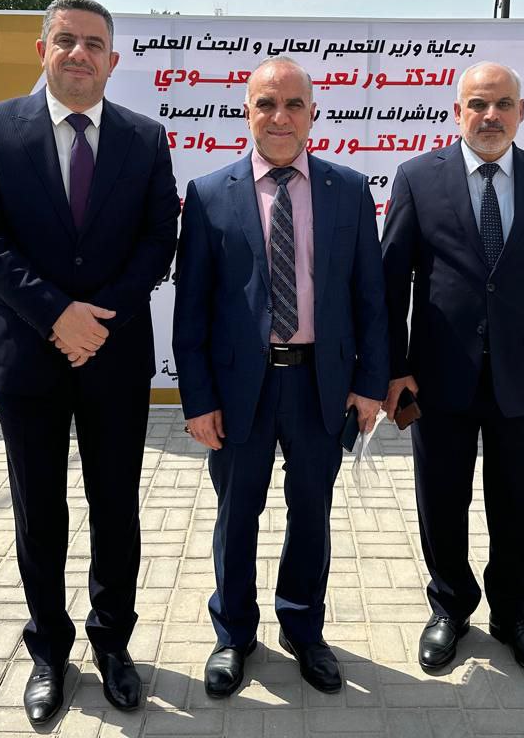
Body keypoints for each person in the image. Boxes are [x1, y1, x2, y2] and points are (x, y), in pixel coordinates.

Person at [0, 0, 179, 722]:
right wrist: (57, 314)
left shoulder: (145, 139)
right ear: (43, 50)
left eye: (93, 44)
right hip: (27, 358)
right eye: (66, 40)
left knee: (116, 509)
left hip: (113, 356)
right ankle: (49, 650)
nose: (79, 54)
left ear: (113, 60)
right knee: (39, 513)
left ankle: (113, 645)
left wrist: (97, 318)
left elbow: (159, 238)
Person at [173, 57, 388, 698]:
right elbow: (192, 309)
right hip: (241, 388)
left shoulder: (348, 190)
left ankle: (303, 628)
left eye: (294, 104)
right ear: (246, 111)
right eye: (266, 103)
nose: (280, 116)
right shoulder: (210, 194)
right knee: (236, 513)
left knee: (311, 512)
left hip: (321, 384)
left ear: (313, 114)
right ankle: (233, 634)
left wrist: (370, 384)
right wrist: (198, 399)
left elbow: (370, 297)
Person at [381, 60, 524, 679]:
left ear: (521, 112)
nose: (490, 116)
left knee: (519, 502)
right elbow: (390, 284)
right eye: (478, 104)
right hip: (438, 377)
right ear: (458, 112)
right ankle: (450, 607)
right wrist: (394, 369)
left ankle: (514, 614)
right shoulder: (418, 179)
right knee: (441, 499)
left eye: (502, 104)